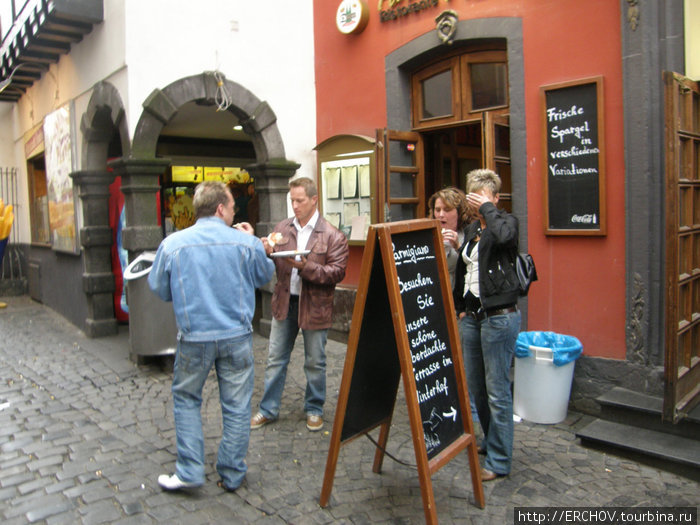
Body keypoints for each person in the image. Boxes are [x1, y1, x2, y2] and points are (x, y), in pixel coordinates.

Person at [148, 181, 274, 492]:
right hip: (236, 336)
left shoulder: (173, 244)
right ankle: (231, 473)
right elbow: (264, 277)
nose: (235, 212)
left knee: (187, 399)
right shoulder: (245, 243)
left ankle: (189, 470)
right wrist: (253, 243)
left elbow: (161, 289)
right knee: (237, 405)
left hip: (194, 336)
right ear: (220, 208)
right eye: (233, 207)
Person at [251, 176, 349, 432]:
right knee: (275, 359)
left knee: (315, 361)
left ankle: (314, 408)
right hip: (284, 302)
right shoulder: (283, 228)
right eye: (291, 200)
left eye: (300, 200)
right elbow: (271, 257)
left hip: (316, 305)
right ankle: (267, 409)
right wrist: (265, 249)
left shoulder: (332, 235)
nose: (294, 205)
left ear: (314, 200)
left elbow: (337, 273)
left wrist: (308, 268)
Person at [453, 169, 521, 482]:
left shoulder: (504, 222)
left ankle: (499, 460)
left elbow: (505, 238)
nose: (477, 201)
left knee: (497, 391)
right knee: (477, 388)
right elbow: (466, 272)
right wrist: (461, 308)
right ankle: (492, 441)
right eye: (474, 195)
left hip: (499, 317)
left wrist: (487, 209)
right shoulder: (471, 230)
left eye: (484, 195)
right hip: (473, 317)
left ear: (495, 197)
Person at [428, 187, 470, 287]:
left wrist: (458, 247)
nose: (441, 215)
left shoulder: (468, 235)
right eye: (437, 210)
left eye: (447, 210)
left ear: (459, 213)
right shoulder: (427, 236)